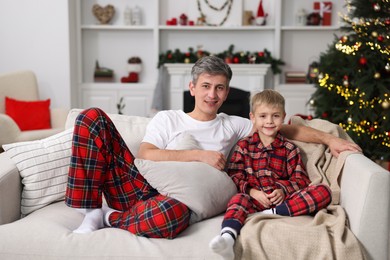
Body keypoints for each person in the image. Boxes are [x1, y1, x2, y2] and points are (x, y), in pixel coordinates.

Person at [65, 55, 361, 239]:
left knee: (171, 218)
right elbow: (146, 155)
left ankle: (110, 218)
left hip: (175, 203)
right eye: (206, 86)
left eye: (219, 87)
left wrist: (329, 138)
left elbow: (285, 127)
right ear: (192, 88)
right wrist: (199, 156)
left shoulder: (233, 124)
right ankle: (91, 210)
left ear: (226, 92)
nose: (212, 94)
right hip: (138, 187)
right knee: (90, 117)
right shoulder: (168, 118)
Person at [209, 89, 333, 259]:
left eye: (275, 116)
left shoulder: (290, 149)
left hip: (282, 202)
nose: (269, 121)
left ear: (283, 117)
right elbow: (234, 176)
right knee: (237, 200)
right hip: (254, 199)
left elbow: (300, 179)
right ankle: (228, 237)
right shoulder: (244, 146)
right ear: (253, 117)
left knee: (323, 191)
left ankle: (270, 214)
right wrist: (252, 192)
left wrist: (282, 190)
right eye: (263, 116)